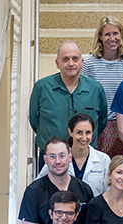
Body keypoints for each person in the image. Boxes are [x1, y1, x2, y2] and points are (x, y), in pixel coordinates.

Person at [29, 40, 107, 169]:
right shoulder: (42, 88)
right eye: (65, 59)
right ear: (57, 63)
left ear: (82, 63)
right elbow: (34, 120)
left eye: (75, 59)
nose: (71, 63)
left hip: (85, 157)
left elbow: (101, 123)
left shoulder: (95, 89)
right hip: (52, 158)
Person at [82, 16, 123, 157]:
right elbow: (85, 95)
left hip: (121, 124)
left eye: (115, 33)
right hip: (96, 123)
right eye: (107, 34)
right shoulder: (88, 63)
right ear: (100, 36)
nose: (112, 38)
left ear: (121, 34)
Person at [18, 137, 94, 224]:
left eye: (62, 156)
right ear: (45, 159)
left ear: (70, 157)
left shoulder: (84, 189)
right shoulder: (33, 192)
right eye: (52, 156)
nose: (58, 161)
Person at [38, 114, 111, 196]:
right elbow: (39, 185)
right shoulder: (59, 158)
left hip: (94, 208)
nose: (84, 138)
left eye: (88, 133)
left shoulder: (103, 160)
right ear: (70, 132)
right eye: (79, 132)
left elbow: (109, 192)